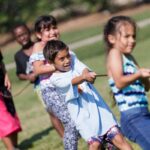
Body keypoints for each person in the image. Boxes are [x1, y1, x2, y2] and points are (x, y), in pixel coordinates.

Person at [43, 40, 133, 150]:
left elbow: (83, 68)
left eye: (67, 56)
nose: (67, 60)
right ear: (51, 62)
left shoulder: (73, 61)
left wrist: (86, 74)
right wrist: (83, 77)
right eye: (62, 59)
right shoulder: (55, 79)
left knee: (119, 139)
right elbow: (72, 82)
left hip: (101, 111)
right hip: (83, 118)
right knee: (95, 145)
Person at [29, 15, 82, 150]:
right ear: (38, 34)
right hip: (51, 91)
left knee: (81, 118)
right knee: (70, 123)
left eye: (54, 27)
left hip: (68, 86)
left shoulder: (59, 45)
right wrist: (57, 66)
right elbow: (38, 69)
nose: (52, 32)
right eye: (47, 30)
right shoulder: (38, 46)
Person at [104, 15, 150, 150]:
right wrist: (138, 74)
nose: (132, 40)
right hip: (132, 117)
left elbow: (146, 87)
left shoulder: (129, 57)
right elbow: (119, 82)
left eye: (133, 36)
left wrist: (144, 78)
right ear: (112, 38)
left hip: (142, 113)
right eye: (127, 36)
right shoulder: (114, 53)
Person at [12, 23, 64, 138]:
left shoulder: (41, 45)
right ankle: (64, 137)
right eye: (19, 36)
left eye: (24, 34)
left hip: (54, 79)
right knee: (52, 112)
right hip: (40, 87)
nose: (23, 38)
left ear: (29, 33)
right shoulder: (18, 56)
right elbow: (19, 74)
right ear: (15, 39)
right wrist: (27, 77)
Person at [0, 50, 22, 150]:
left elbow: (1, 63)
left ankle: (15, 147)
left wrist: (6, 76)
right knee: (4, 121)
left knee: (12, 114)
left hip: (3, 86)